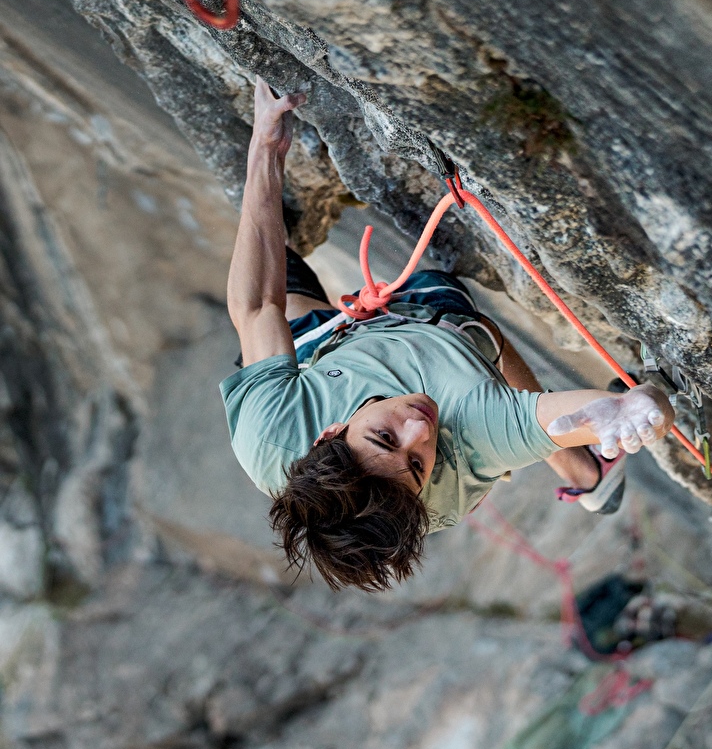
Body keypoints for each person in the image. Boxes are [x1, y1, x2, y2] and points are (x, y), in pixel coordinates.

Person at [219, 79, 675, 591]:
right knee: (466, 322)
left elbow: (258, 304)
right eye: (415, 464)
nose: (420, 429)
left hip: (320, 346)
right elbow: (592, 416)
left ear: (328, 432)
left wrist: (266, 146)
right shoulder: (470, 436)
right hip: (436, 330)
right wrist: (637, 411)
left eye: (385, 437)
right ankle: (583, 471)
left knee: (276, 270)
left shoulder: (271, 430)